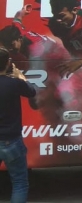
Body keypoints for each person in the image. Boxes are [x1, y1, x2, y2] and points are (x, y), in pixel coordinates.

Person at [0, 47, 36, 203]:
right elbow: (31, 92)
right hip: (11, 141)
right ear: (8, 63)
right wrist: (20, 76)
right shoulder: (14, 84)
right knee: (19, 183)